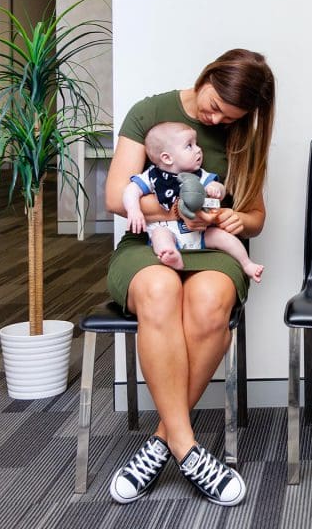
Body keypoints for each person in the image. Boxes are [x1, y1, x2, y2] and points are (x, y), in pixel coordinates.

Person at [104, 48, 275, 506]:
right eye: (215, 106)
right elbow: (115, 198)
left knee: (208, 304)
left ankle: (161, 442)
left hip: (209, 248)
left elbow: (256, 216)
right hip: (150, 243)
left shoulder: (241, 134)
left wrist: (238, 220)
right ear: (208, 76)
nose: (215, 121)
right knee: (159, 291)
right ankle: (187, 446)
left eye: (228, 117)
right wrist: (181, 210)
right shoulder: (150, 113)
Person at [123, 121, 264, 282]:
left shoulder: (199, 175)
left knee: (223, 236)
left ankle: (247, 264)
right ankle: (170, 254)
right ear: (167, 158)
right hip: (168, 230)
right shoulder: (153, 176)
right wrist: (134, 210)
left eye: (196, 144)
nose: (198, 149)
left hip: (200, 233)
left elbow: (218, 186)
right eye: (189, 146)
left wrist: (217, 189)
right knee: (159, 235)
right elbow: (131, 190)